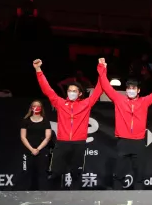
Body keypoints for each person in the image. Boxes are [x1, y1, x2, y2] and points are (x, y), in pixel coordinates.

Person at [98, 58, 152, 190]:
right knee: (119, 174)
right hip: (123, 142)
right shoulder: (119, 99)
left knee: (139, 175)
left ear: (138, 90)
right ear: (126, 90)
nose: (131, 90)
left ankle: (139, 202)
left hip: (139, 142)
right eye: (129, 88)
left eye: (133, 88)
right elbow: (105, 86)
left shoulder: (144, 101)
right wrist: (102, 67)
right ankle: (116, 201)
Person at [33, 59, 103, 189]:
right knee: (55, 173)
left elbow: (99, 89)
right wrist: (38, 70)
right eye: (69, 90)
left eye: (74, 91)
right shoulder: (60, 103)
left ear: (80, 94)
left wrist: (102, 68)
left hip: (78, 143)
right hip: (62, 142)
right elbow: (47, 90)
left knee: (76, 173)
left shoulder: (85, 104)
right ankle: (54, 199)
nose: (71, 93)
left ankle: (74, 202)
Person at [20, 100, 52, 190]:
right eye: (34, 106)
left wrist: (38, 149)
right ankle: (27, 194)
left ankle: (42, 195)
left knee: (42, 173)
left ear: (41, 108)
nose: (36, 108)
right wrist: (32, 149)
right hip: (28, 151)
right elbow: (23, 137)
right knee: (27, 172)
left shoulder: (46, 121)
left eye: (38, 106)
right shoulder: (25, 121)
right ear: (31, 108)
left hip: (42, 151)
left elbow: (48, 137)